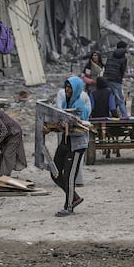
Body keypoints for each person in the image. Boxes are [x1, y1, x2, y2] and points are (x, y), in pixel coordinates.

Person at [50, 77, 90, 217]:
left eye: (70, 87)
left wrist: (67, 125)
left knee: (69, 176)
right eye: (66, 87)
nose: (67, 90)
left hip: (76, 145)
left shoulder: (81, 105)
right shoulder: (65, 103)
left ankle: (69, 206)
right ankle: (75, 197)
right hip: (65, 142)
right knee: (54, 172)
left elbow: (81, 124)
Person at [104, 41, 128, 117]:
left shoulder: (110, 55)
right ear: (124, 48)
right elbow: (122, 70)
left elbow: (106, 66)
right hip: (116, 80)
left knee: (110, 97)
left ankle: (110, 115)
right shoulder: (123, 57)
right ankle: (125, 116)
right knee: (120, 99)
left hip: (107, 78)